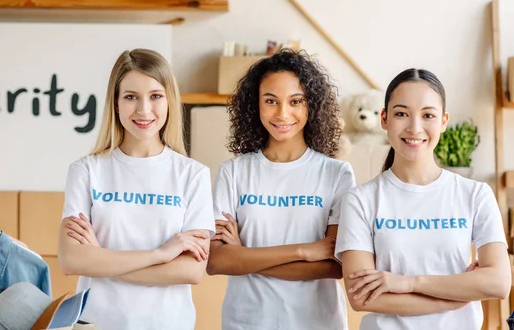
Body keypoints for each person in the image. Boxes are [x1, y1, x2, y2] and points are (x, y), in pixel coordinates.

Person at [335, 68, 511, 329]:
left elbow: (498, 282)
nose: (415, 128)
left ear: (443, 121)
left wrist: (407, 282)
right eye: (401, 113)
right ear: (384, 119)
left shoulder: (475, 194)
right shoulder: (359, 201)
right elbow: (362, 298)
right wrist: (454, 298)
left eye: (428, 115)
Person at [58, 49, 215, 330]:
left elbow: (191, 270)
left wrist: (101, 258)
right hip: (95, 323)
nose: (144, 110)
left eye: (155, 96)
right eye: (130, 97)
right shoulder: (86, 171)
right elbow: (72, 260)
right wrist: (161, 255)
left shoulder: (193, 175)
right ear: (116, 104)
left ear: (169, 101)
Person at [207, 49, 356, 330]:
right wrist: (305, 250)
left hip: (317, 322)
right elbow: (217, 261)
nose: (282, 113)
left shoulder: (336, 174)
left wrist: (245, 255)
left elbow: (335, 266)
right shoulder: (234, 172)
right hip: (247, 322)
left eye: (295, 101)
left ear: (311, 105)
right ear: (256, 104)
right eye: (271, 101)